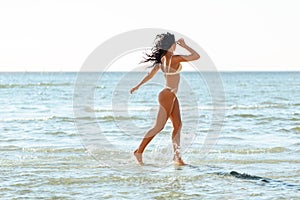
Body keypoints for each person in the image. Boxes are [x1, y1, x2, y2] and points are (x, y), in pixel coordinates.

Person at [130, 32, 200, 166]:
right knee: (158, 127)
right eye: (175, 44)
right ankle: (138, 151)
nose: (176, 46)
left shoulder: (163, 59)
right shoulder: (174, 59)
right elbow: (196, 56)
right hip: (167, 95)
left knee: (178, 125)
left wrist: (138, 86)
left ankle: (177, 157)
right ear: (171, 45)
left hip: (171, 95)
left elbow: (150, 75)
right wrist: (185, 45)